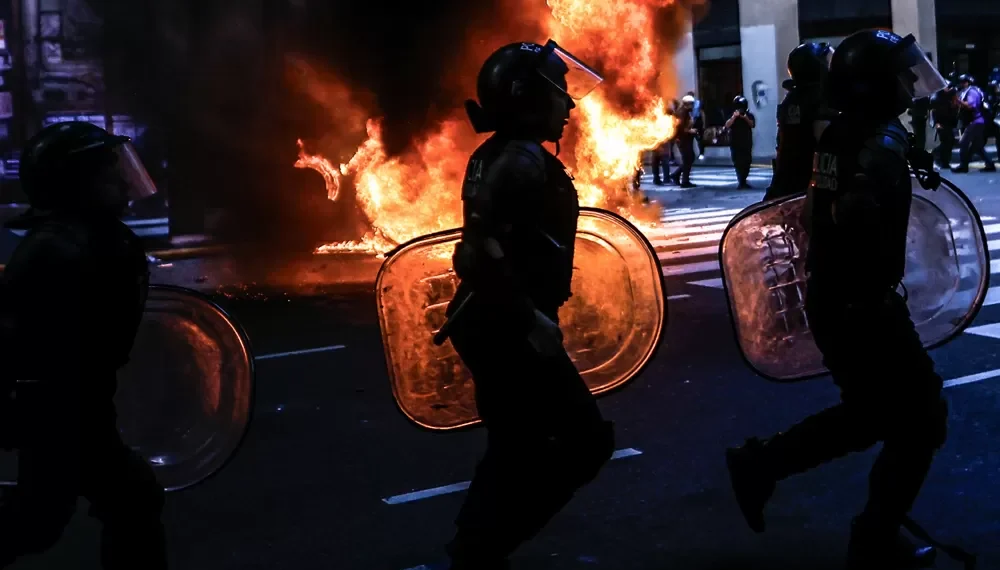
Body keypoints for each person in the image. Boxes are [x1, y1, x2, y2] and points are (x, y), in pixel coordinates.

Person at [725, 29, 969, 569]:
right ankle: (873, 536)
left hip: (844, 299)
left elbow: (820, 210)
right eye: (899, 75)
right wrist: (868, 296)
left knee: (872, 415)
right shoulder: (876, 142)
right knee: (921, 416)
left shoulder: (843, 132)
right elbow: (849, 215)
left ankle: (764, 465)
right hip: (861, 305)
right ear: (872, 86)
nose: (909, 82)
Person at [438, 41, 615, 570]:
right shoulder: (519, 160)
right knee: (586, 441)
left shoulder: (499, 154)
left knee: (514, 443)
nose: (570, 104)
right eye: (559, 91)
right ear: (527, 97)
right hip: (506, 324)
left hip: (492, 319)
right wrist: (529, 318)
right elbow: (476, 250)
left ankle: (475, 548)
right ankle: (482, 550)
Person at [0, 121, 166, 569]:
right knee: (47, 519)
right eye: (109, 172)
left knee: (52, 517)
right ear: (76, 182)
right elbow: (19, 342)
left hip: (81, 405)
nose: (123, 181)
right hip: (59, 409)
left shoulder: (93, 236)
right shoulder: (56, 250)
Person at [764, 42, 835, 201]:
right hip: (809, 192)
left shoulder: (792, 99)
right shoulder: (821, 99)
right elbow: (828, 143)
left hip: (786, 187)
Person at [953, 74, 996, 173]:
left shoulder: (972, 92)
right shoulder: (968, 91)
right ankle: (990, 164)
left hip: (975, 121)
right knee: (977, 146)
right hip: (976, 122)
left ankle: (963, 166)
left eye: (963, 82)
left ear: (968, 82)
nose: (961, 84)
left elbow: (971, 106)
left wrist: (958, 100)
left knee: (963, 143)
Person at [669, 95, 700, 188]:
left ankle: (677, 176)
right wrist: (691, 131)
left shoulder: (685, 112)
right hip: (683, 139)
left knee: (689, 158)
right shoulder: (682, 112)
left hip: (685, 139)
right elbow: (681, 128)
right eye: (691, 104)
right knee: (688, 158)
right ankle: (684, 180)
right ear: (687, 104)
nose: (692, 106)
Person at [725, 95, 756, 189]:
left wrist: (745, 118)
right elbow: (727, 125)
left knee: (747, 161)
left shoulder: (748, 115)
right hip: (735, 142)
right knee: (738, 162)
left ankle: (744, 179)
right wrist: (734, 117)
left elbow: (752, 125)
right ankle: (741, 181)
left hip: (746, 141)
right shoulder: (732, 115)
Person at [930, 84, 959, 170]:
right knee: (945, 142)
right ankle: (938, 158)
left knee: (949, 142)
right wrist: (936, 123)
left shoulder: (949, 97)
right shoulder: (936, 98)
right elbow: (933, 112)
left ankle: (945, 162)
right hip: (941, 123)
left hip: (949, 123)